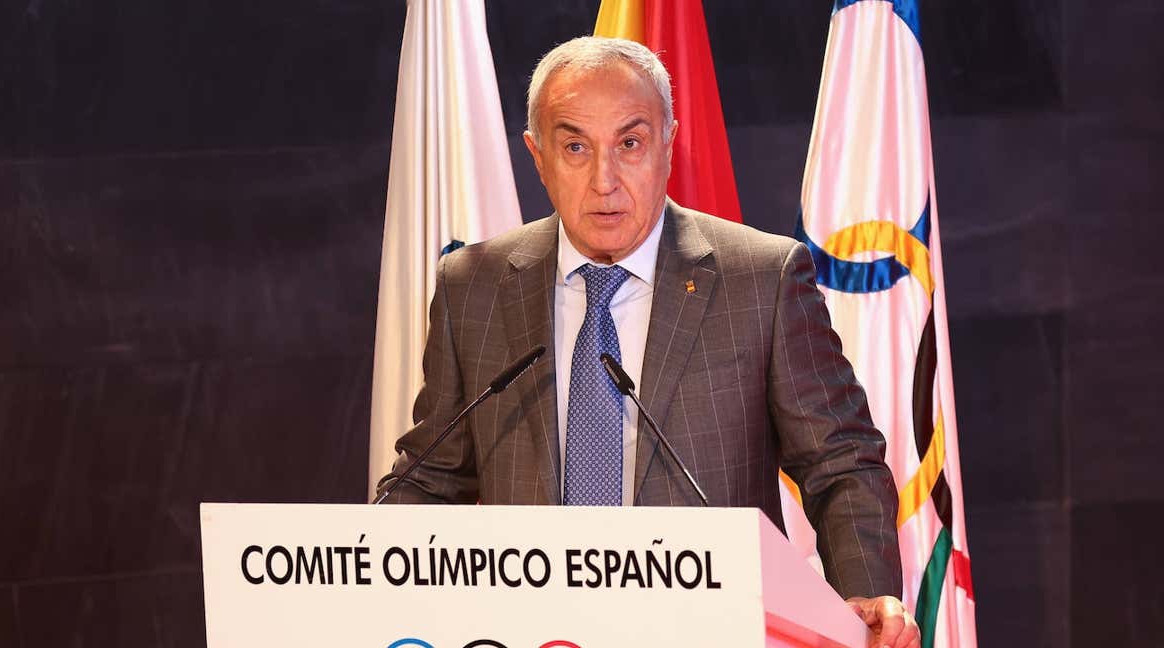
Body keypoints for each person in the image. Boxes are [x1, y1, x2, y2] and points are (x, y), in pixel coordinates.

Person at [376, 36, 918, 647]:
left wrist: (864, 599)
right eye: (575, 146)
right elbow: (430, 479)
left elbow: (841, 464)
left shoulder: (760, 279)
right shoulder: (472, 286)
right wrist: (357, 580)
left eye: (629, 144)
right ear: (537, 155)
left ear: (668, 143)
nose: (604, 179)